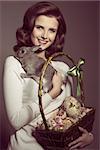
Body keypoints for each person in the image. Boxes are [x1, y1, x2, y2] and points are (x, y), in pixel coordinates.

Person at [3, 1, 94, 150]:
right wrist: (53, 93)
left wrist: (87, 136)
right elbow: (16, 120)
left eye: (52, 30)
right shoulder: (14, 63)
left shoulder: (63, 68)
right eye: (40, 28)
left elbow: (68, 114)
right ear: (29, 28)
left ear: (57, 34)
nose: (45, 36)